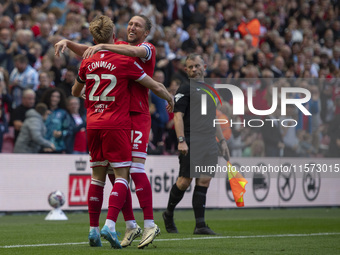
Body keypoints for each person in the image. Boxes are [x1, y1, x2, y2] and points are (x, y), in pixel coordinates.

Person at [55, 14, 162, 248]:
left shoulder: (145, 48)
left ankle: (150, 223)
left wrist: (100, 45)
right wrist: (70, 42)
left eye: (138, 25)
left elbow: (120, 53)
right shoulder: (118, 49)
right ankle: (131, 224)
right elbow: (91, 50)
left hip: (135, 115)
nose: (132, 27)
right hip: (119, 117)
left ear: (146, 33)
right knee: (116, 173)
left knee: (132, 168)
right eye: (130, 23)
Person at [162, 54, 229, 235]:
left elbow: (213, 117)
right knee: (184, 181)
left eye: (196, 66)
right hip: (192, 139)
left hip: (209, 141)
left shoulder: (210, 90)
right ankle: (168, 214)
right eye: (190, 67)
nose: (194, 69)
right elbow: (178, 116)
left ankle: (200, 225)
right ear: (186, 69)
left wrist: (222, 141)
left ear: (204, 67)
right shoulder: (185, 88)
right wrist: (181, 140)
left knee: (205, 180)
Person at [40, 87, 72, 153]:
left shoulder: (63, 113)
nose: (55, 99)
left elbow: (69, 130)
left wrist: (61, 133)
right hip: (42, 147)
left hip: (58, 148)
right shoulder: (42, 111)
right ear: (48, 97)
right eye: (53, 96)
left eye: (57, 97)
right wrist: (43, 118)